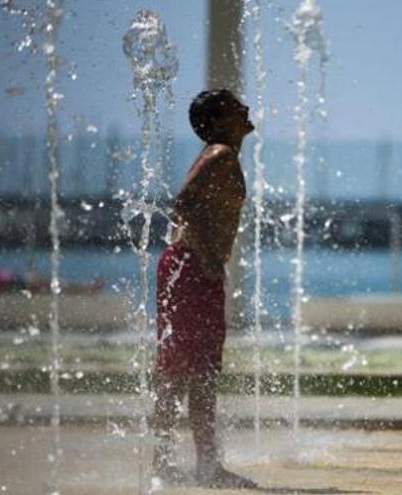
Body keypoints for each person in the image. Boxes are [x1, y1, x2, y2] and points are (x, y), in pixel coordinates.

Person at [152, 89, 257, 489]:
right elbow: (184, 201)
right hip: (191, 268)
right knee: (193, 371)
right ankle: (200, 467)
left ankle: (182, 465)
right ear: (215, 121)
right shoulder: (220, 154)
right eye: (234, 107)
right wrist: (206, 254)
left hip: (188, 267)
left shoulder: (219, 154)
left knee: (188, 370)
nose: (245, 109)